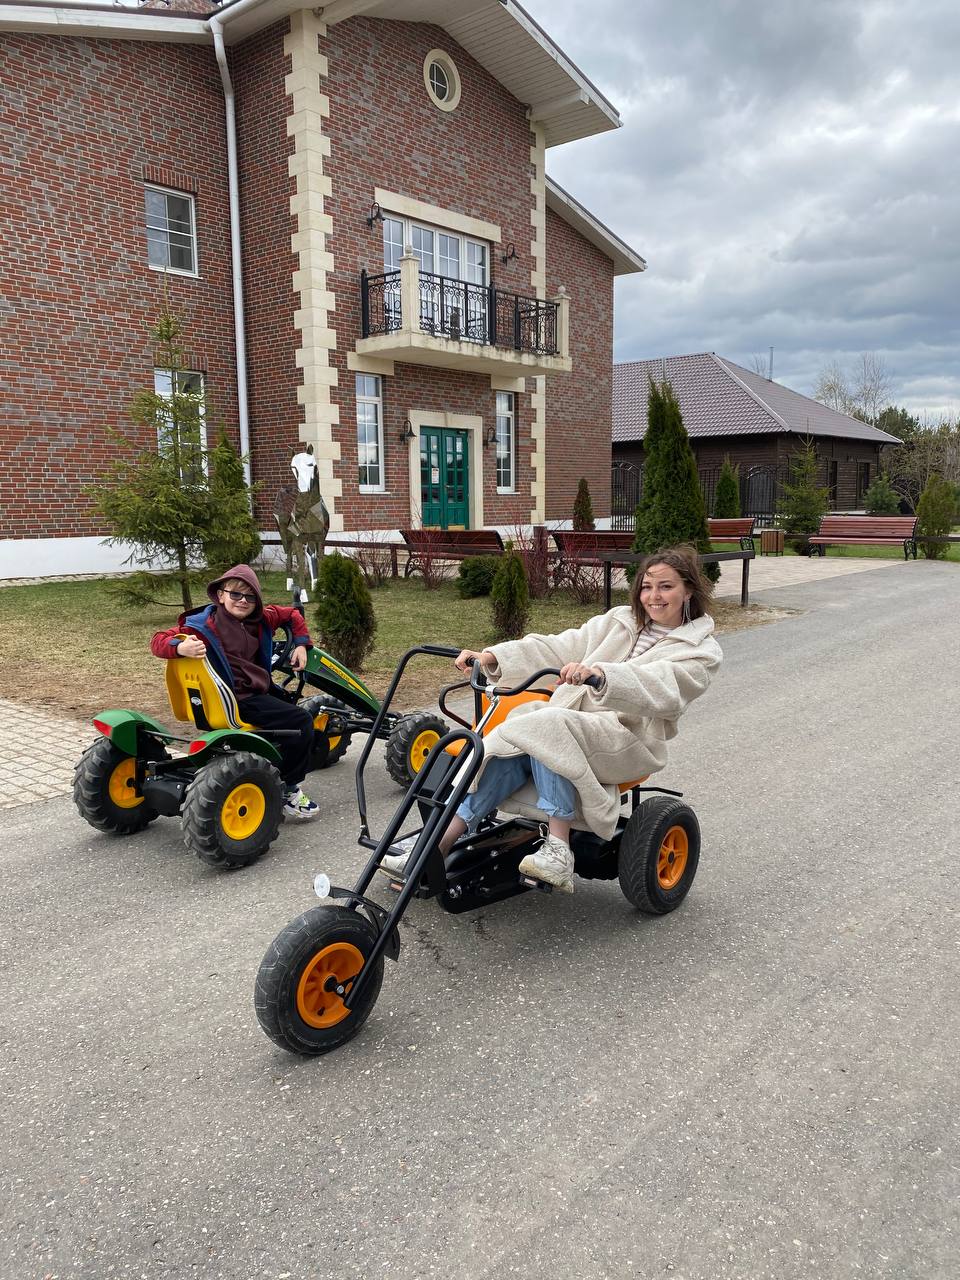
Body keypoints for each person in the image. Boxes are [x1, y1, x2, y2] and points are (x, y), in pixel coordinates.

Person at [383, 544, 722, 892]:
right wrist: (493, 656)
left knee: (548, 726)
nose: (653, 596)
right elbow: (559, 645)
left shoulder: (699, 650)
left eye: (666, 586)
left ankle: (559, 850)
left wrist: (601, 675)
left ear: (688, 590)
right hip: (571, 721)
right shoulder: (619, 621)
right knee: (511, 741)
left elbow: (664, 687)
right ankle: (435, 843)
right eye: (647, 586)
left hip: (627, 739)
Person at [150, 563, 320, 820]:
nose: (243, 601)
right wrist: (179, 647)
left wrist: (300, 644)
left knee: (286, 702)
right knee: (302, 721)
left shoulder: (262, 618)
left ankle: (271, 765)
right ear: (221, 595)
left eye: (250, 597)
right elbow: (158, 640)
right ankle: (289, 788)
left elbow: (292, 615)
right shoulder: (203, 626)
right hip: (239, 699)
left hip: (252, 692)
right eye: (236, 594)